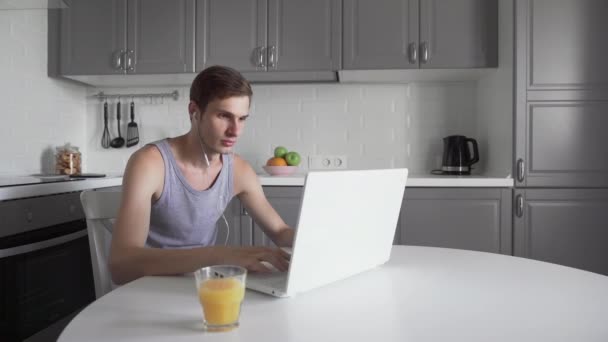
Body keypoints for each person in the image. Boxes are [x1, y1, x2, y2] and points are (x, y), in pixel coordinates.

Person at [109, 65, 294, 285]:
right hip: (147, 288)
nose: (235, 131)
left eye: (242, 119)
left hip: (202, 287)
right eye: (224, 116)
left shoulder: (239, 170)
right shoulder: (150, 163)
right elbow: (121, 265)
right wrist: (219, 256)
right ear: (194, 112)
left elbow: (281, 232)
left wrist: (323, 240)